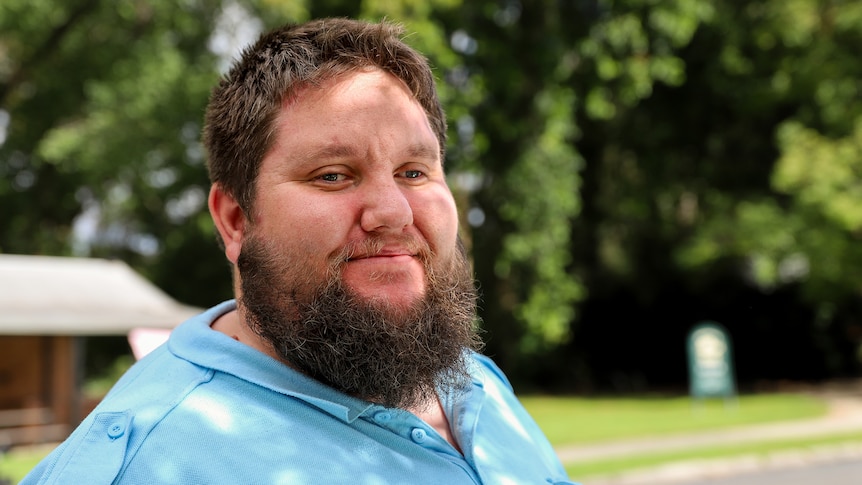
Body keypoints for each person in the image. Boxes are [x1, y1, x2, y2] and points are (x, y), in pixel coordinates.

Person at [23, 18, 575, 485]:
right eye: (333, 175)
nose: (394, 212)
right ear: (235, 219)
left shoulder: (474, 382)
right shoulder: (140, 465)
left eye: (414, 171)